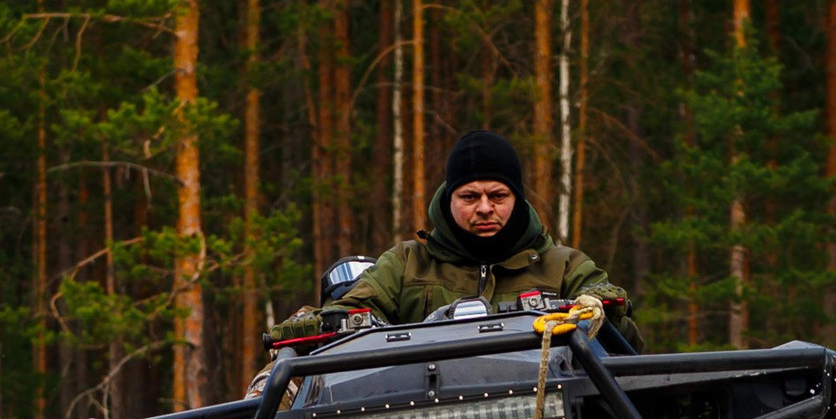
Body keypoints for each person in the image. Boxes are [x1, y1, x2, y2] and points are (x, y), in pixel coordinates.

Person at [269, 129, 633, 346]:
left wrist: (606, 311)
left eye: (498, 196)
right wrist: (326, 322)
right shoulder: (407, 263)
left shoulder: (564, 266)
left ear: (518, 199)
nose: (485, 208)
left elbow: (627, 343)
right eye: (470, 197)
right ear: (449, 200)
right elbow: (354, 312)